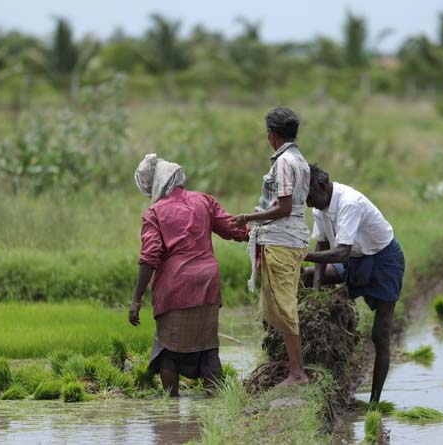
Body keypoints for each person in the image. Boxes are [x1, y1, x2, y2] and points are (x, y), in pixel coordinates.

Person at [129, 154, 249, 396]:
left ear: (156, 184)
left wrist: (136, 299)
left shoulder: (154, 212)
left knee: (168, 352)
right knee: (208, 348)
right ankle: (217, 403)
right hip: (207, 283)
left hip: (176, 286)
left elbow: (149, 257)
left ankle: (170, 408)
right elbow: (232, 228)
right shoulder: (204, 200)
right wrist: (261, 232)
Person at [302, 164, 405, 404]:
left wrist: (302, 255)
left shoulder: (349, 202)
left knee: (380, 335)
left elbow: (341, 253)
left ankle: (374, 403)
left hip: (383, 260)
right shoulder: (321, 206)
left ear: (323, 187)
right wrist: (317, 291)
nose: (308, 204)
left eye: (310, 198)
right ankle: (318, 343)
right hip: (355, 258)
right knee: (306, 277)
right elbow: (322, 244)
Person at [230, 107, 311, 386]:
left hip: (283, 241)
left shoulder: (284, 163)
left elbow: (284, 207)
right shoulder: (300, 159)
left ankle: (297, 373)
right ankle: (291, 366)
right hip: (293, 239)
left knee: (285, 307)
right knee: (282, 304)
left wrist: (248, 218)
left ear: (271, 134)